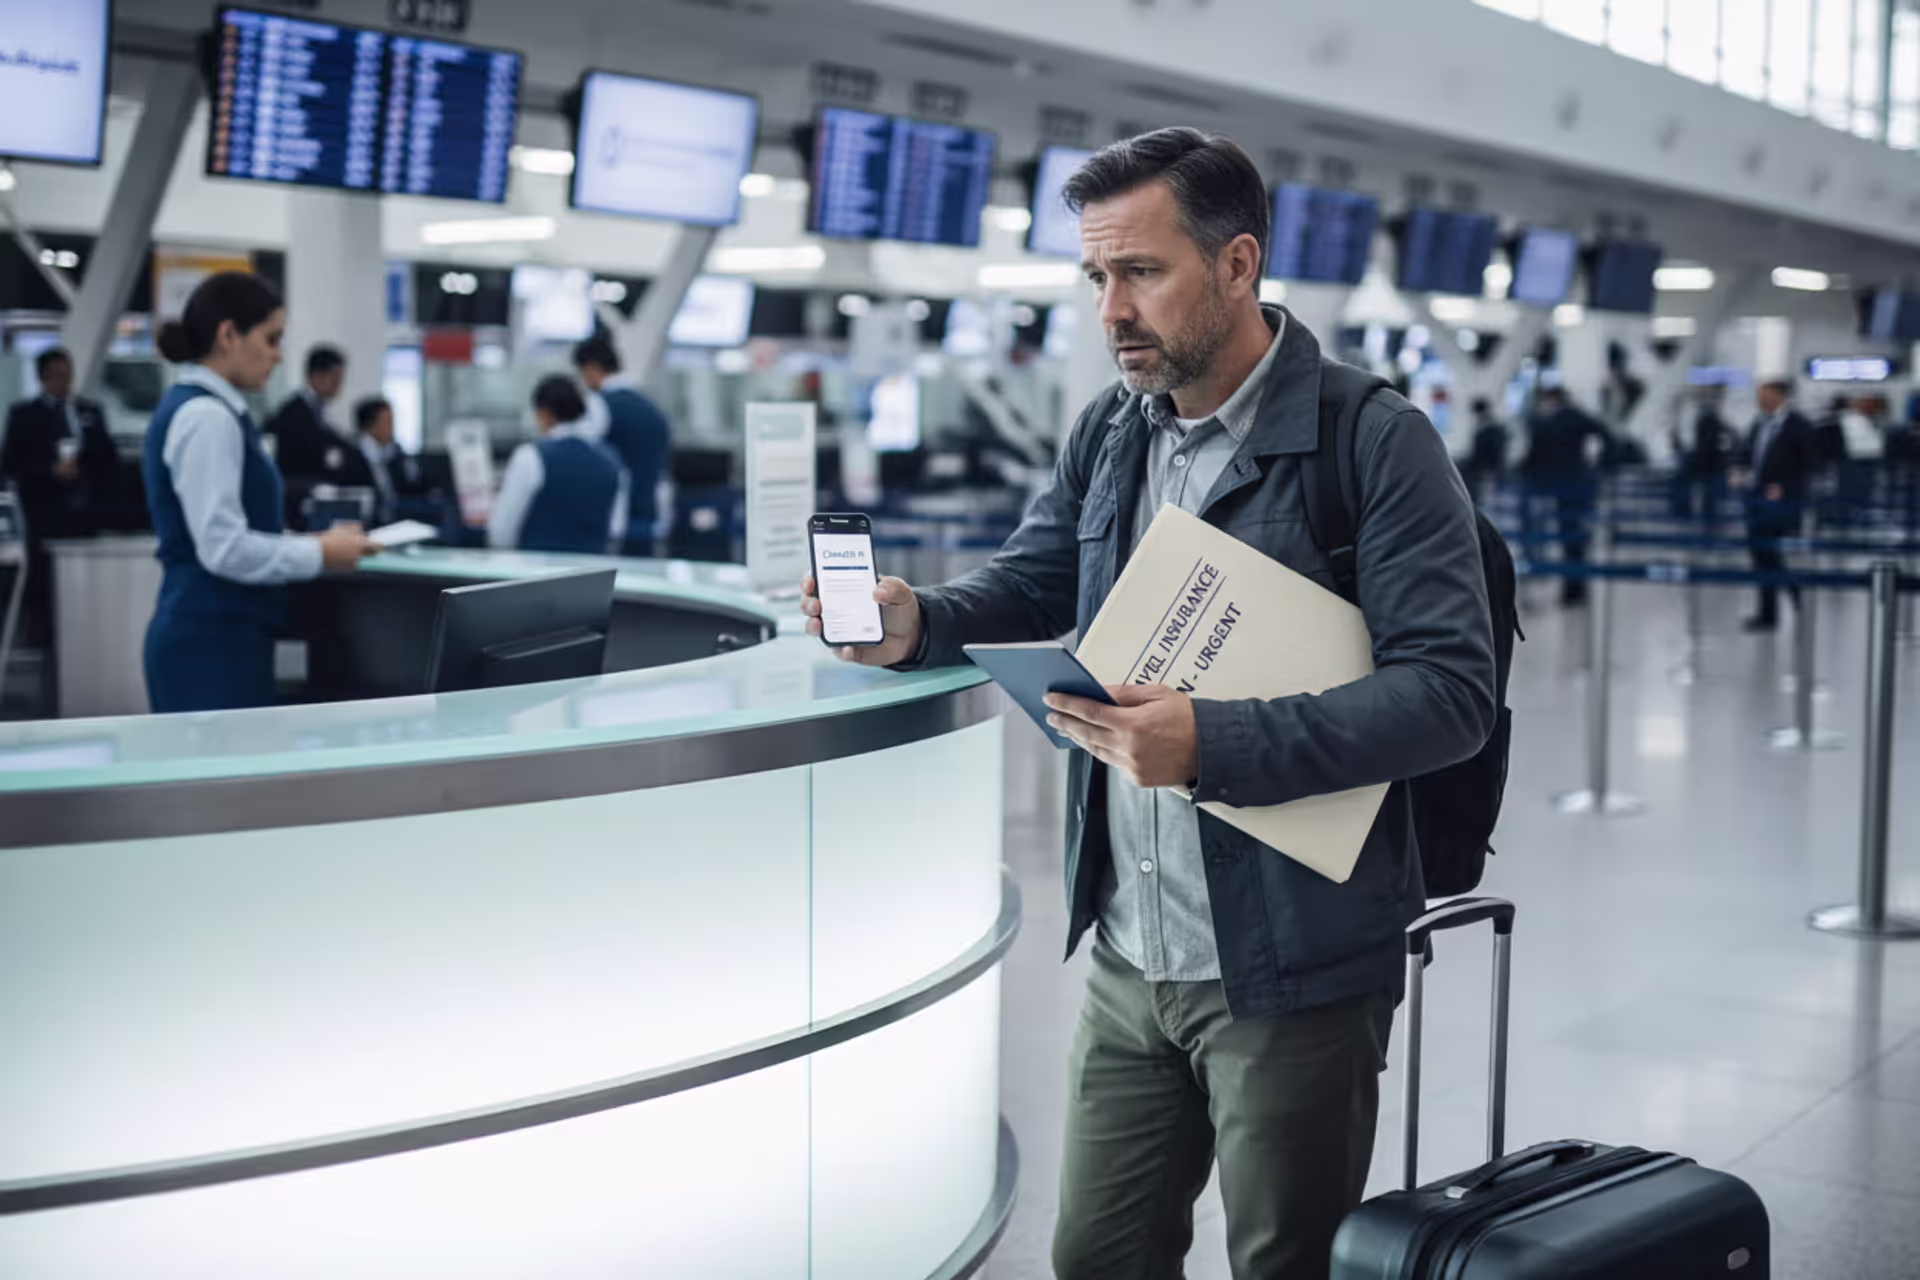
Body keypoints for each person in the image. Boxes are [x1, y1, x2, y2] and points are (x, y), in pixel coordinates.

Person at [800, 128, 1496, 1280]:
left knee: (1283, 1261)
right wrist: (916, 618)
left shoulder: (1374, 441)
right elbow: (1032, 582)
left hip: (1295, 963)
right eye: (1095, 276)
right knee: (1097, 1256)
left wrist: (1213, 741)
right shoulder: (1114, 428)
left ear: (1237, 263)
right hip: (1131, 952)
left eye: (1141, 271)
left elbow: (1449, 693)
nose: (1111, 309)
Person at [142, 273, 377, 713]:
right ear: (228, 335)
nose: (278, 355)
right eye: (271, 339)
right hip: (209, 644)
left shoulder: (214, 411)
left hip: (224, 635)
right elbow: (224, 548)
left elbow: (236, 530)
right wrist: (318, 553)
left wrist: (319, 542)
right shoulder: (206, 417)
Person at [0, 347, 121, 644]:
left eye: (67, 375)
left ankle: (87, 637)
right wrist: (50, 470)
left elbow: (108, 458)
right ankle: (43, 640)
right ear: (43, 378)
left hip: (87, 511)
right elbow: (12, 463)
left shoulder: (89, 410)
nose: (64, 381)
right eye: (57, 375)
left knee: (87, 580)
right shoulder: (24, 415)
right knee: (44, 585)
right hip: (44, 513)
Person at [488, 375, 627, 554]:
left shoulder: (531, 456)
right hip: (594, 568)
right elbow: (616, 528)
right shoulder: (612, 461)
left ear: (544, 413)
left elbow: (501, 532)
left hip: (537, 568)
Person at [574, 335, 671, 558]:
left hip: (610, 523)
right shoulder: (654, 410)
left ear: (591, 369)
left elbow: (583, 459)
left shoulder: (599, 405)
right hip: (648, 518)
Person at [1737, 379, 1820, 632]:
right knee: (1762, 558)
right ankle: (1768, 614)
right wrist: (1738, 470)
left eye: (1765, 395)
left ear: (1780, 396)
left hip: (1784, 503)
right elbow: (1747, 454)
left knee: (1776, 557)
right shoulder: (1758, 424)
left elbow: (1811, 464)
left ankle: (1797, 602)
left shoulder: (1799, 426)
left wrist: (1784, 486)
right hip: (1756, 499)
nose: (1760, 401)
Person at [1521, 386, 1611, 606]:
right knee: (1574, 539)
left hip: (1554, 486)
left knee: (1563, 536)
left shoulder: (1545, 421)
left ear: (1551, 399)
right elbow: (1608, 437)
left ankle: (1569, 587)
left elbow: (1534, 454)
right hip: (1577, 484)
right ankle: (1575, 588)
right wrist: (1599, 466)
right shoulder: (1578, 417)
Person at [265, 344, 358, 528]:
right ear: (316, 376)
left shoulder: (321, 413)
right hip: (298, 504)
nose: (338, 386)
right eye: (335, 379)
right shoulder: (293, 413)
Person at [341, 396, 421, 527]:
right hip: (365, 524)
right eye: (387, 421)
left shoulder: (395, 453)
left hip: (396, 521)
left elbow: (409, 488)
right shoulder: (350, 456)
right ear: (370, 426)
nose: (392, 427)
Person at [1464, 396, 1509, 505]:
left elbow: (1488, 449)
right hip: (1487, 463)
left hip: (1487, 464)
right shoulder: (1491, 424)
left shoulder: (1489, 427)